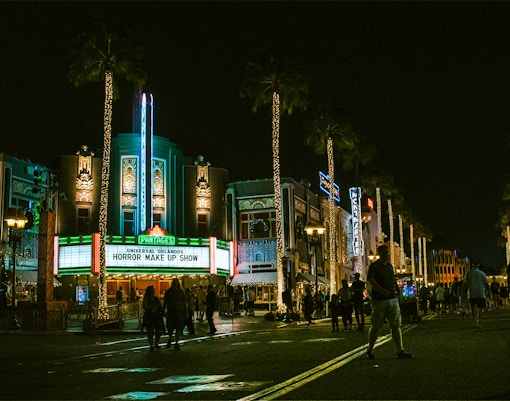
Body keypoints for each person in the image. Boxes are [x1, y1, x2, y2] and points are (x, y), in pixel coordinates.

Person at [366, 245, 413, 359]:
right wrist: (382, 290)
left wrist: (398, 292)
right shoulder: (374, 266)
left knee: (396, 325)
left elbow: (393, 280)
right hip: (379, 301)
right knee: (376, 325)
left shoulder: (389, 266)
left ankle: (400, 350)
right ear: (380, 254)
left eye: (388, 253)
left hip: (392, 299)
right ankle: (370, 349)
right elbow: (371, 280)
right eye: (385, 253)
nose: (387, 255)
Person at [163, 278, 187, 350]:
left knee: (174, 328)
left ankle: (174, 341)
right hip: (175, 312)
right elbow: (184, 302)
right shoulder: (180, 292)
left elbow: (165, 302)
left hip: (173, 312)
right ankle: (174, 341)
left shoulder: (170, 292)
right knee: (175, 328)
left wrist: (164, 311)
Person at [462, 264, 488, 328]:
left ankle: (474, 322)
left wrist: (463, 292)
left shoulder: (468, 273)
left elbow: (465, 284)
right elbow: (486, 283)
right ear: (478, 266)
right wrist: (488, 292)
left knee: (473, 308)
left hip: (471, 292)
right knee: (480, 309)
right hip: (480, 292)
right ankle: (479, 323)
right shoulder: (482, 273)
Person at [142, 285, 164, 351]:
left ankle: (156, 344)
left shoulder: (156, 298)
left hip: (156, 316)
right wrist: (152, 309)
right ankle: (151, 345)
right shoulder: (146, 299)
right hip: (150, 316)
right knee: (150, 332)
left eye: (153, 290)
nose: (152, 291)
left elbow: (160, 307)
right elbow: (146, 307)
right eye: (151, 290)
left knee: (158, 331)